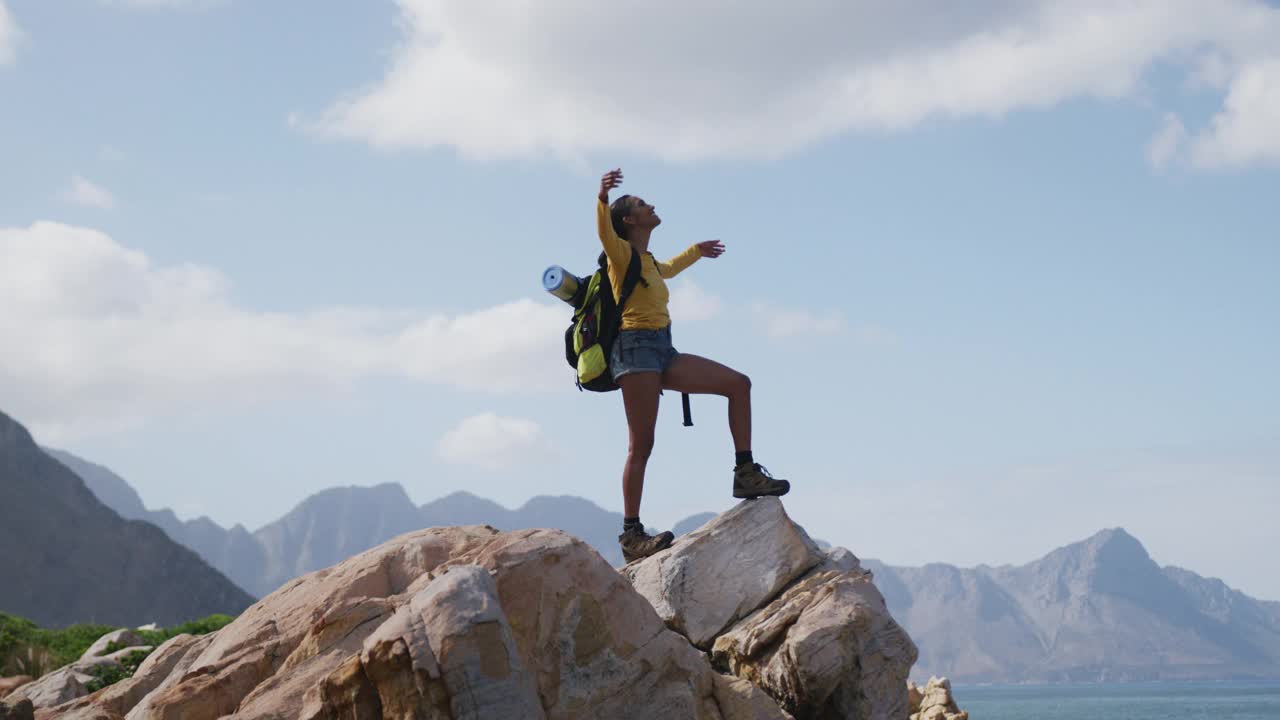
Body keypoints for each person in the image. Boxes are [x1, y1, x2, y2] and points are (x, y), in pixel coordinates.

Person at [597, 168, 790, 563]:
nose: (651, 206)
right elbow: (604, 232)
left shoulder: (646, 260)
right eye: (642, 204)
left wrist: (694, 253)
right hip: (634, 352)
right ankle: (631, 534)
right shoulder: (620, 254)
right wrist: (602, 198)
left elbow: (665, 269)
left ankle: (745, 472)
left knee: (739, 384)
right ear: (630, 220)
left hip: (663, 349)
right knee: (642, 444)